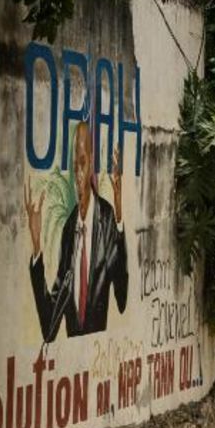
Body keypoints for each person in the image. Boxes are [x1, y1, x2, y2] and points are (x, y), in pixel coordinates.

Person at [25, 122, 128, 342]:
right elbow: (49, 327)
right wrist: (36, 247)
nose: (79, 174)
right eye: (75, 166)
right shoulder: (69, 231)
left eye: (83, 163)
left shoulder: (106, 218)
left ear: (91, 163)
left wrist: (119, 216)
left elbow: (122, 297)